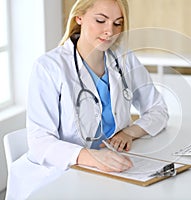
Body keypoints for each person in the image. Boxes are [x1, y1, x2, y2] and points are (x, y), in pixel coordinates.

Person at [5, 0, 168, 199]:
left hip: (110, 170)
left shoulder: (124, 58)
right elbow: (40, 142)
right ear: (79, 17)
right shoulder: (49, 67)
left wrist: (129, 133)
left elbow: (158, 110)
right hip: (61, 174)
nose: (110, 31)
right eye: (101, 20)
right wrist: (90, 157)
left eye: (118, 23)